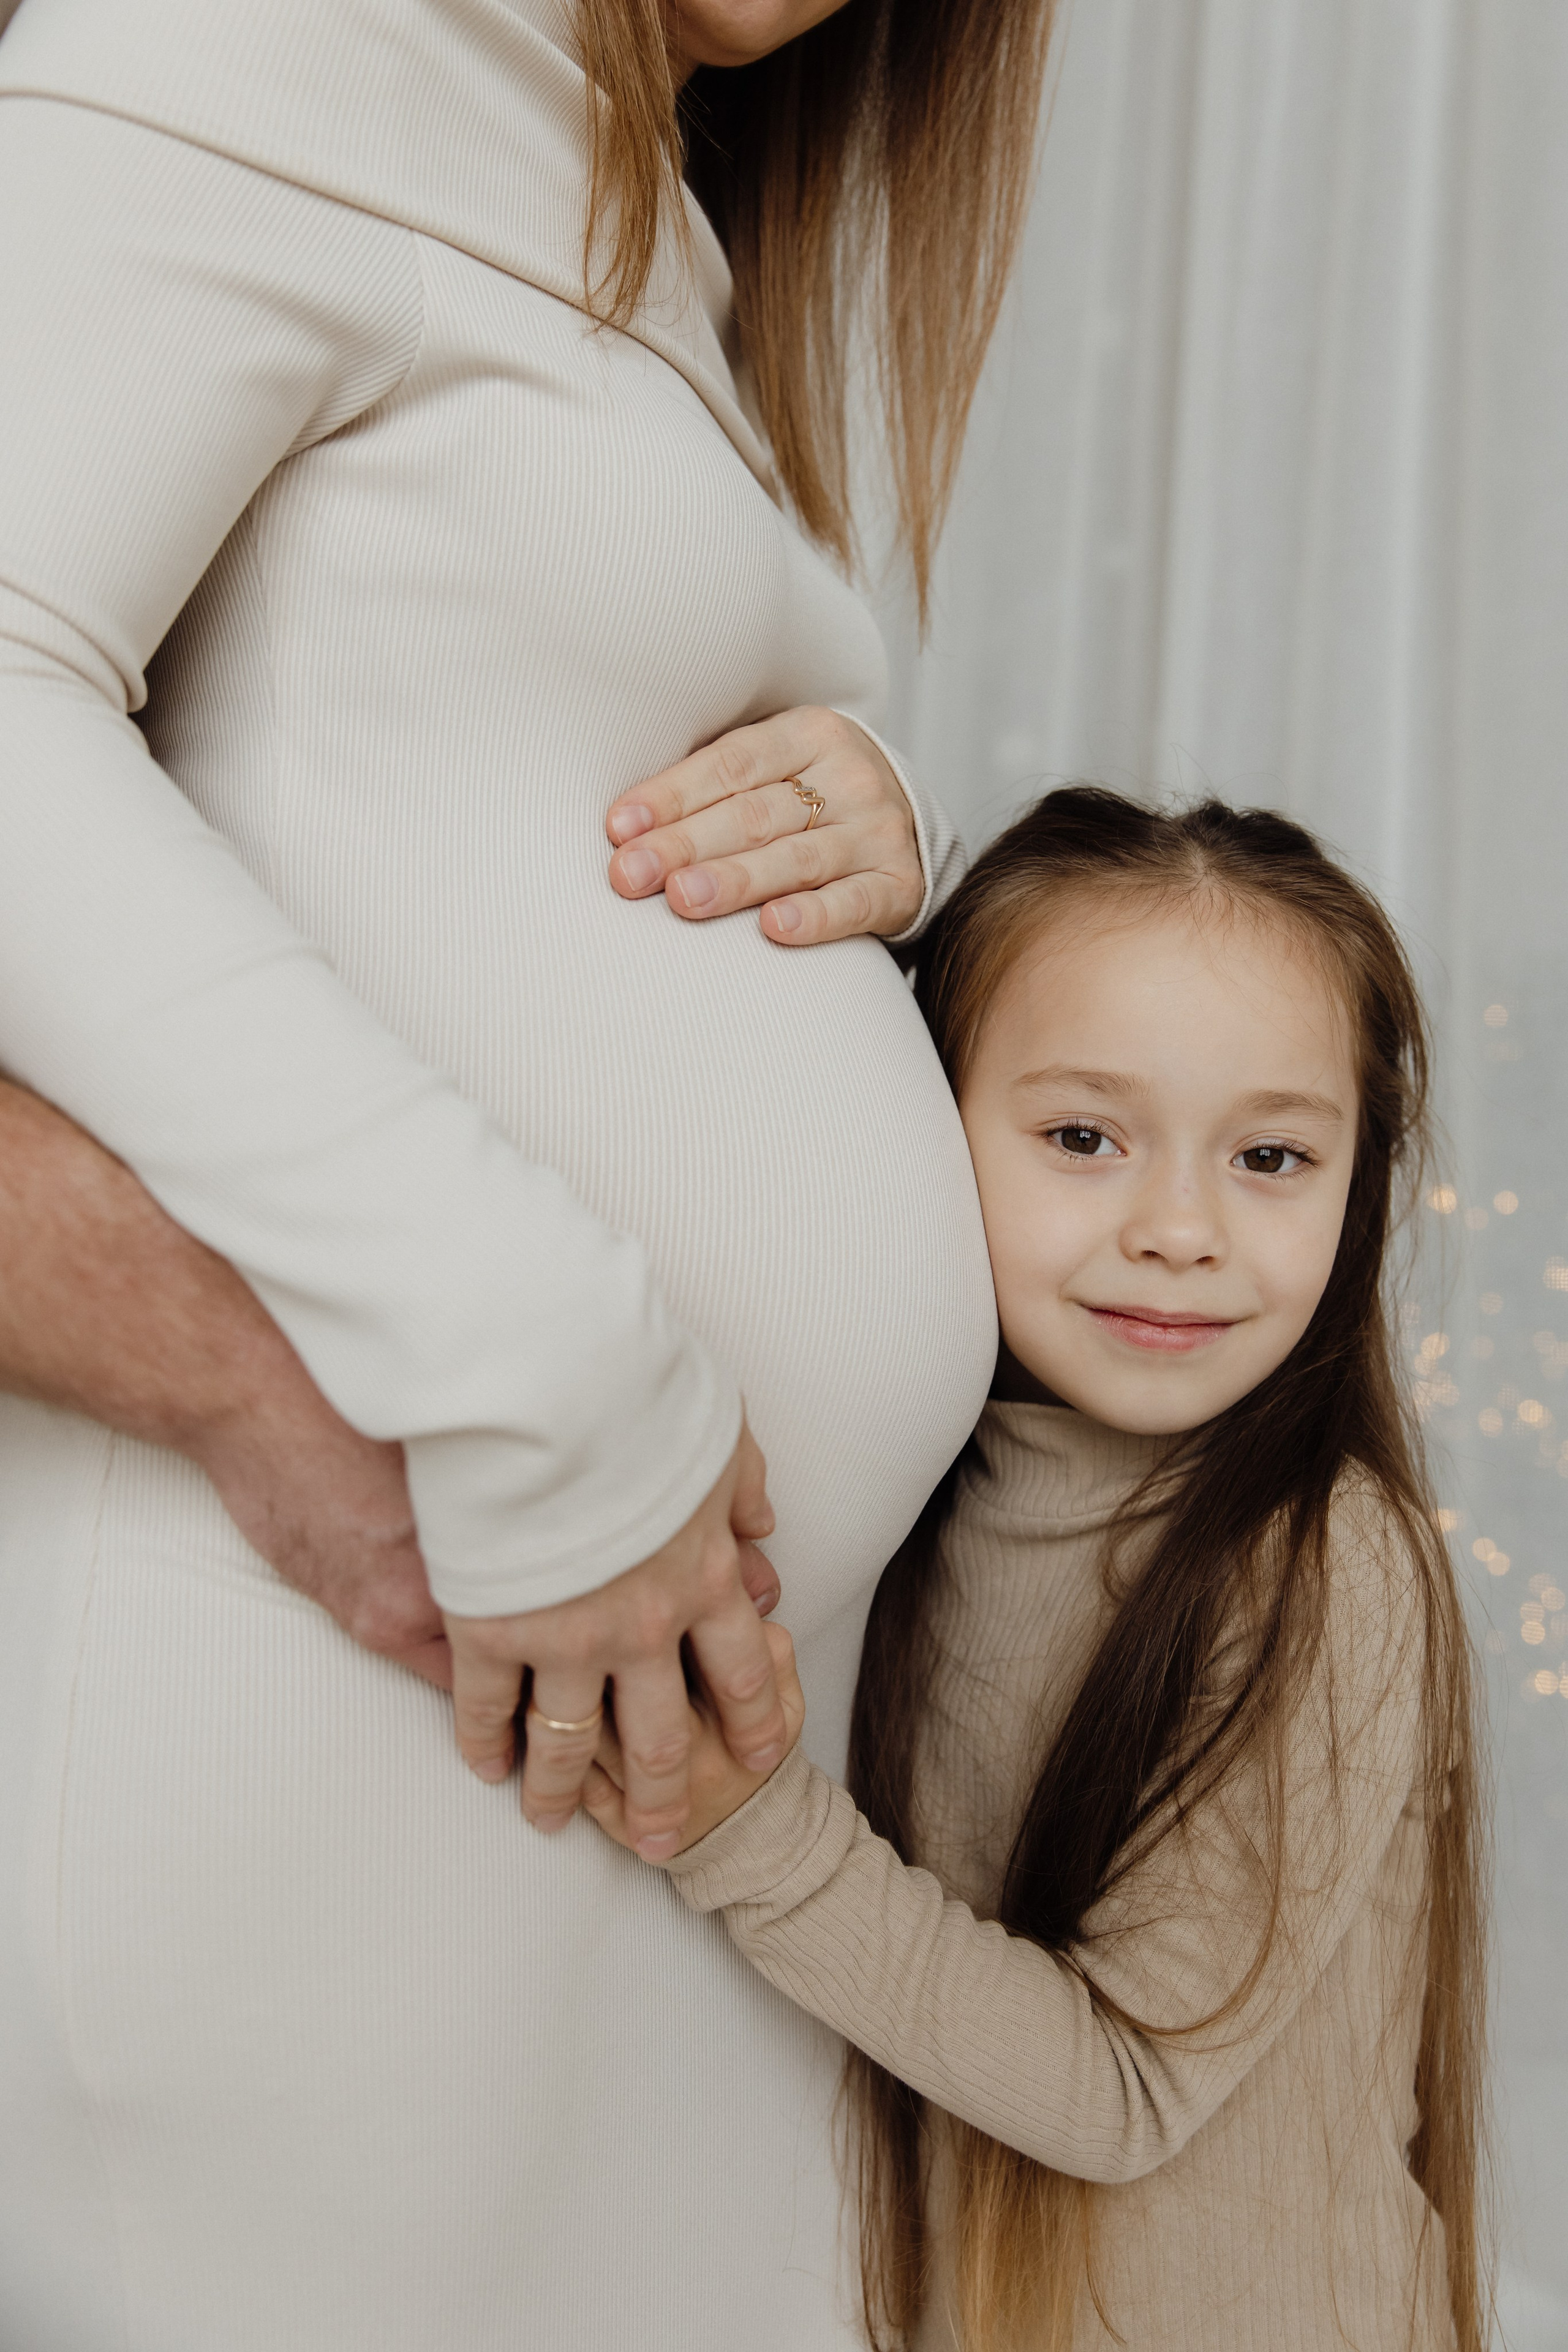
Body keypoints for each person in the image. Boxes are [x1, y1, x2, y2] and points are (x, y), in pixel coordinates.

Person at [0, 1, 1059, 2345]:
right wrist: (541, 1360)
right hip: (350, 1713)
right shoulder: (264, 37)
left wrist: (875, 816)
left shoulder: (636, 185)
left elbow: (430, 753)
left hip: (668, 1792)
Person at [586, 789, 1489, 2352]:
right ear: (922, 1125)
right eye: (1083, 1138)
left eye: (1270, 1156)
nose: (1179, 1228)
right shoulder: (894, 1491)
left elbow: (1126, 2089)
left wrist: (744, 1828)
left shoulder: (1328, 1564)